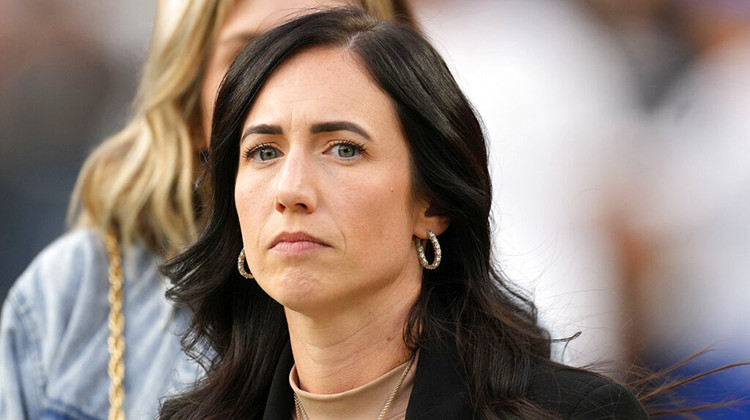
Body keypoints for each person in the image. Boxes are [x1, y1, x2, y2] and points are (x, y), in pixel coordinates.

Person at [159, 7, 649, 419]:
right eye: (264, 152)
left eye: (344, 149)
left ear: (432, 203)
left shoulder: (575, 413)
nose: (291, 190)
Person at [0, 1, 416, 419]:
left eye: (328, 41)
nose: (290, 86)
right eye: (249, 56)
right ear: (189, 103)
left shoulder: (474, 367)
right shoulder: (72, 299)